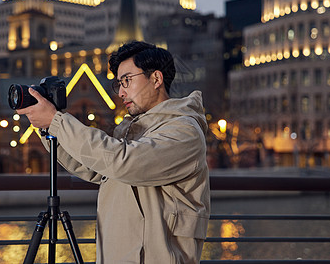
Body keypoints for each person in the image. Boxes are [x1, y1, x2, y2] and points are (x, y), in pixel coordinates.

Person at [17, 41, 210, 264]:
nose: (120, 92)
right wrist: (48, 127)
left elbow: (124, 162)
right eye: (118, 83)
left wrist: (58, 121)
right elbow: (92, 167)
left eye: (127, 80)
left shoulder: (184, 131)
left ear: (156, 79)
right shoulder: (133, 130)